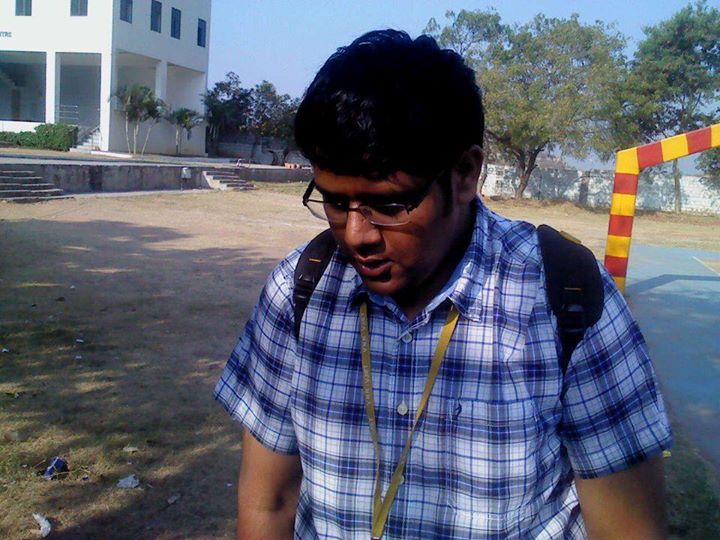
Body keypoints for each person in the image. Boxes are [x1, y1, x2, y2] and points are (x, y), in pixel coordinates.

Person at [214, 29, 672, 539]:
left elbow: (629, 528)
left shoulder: (564, 297)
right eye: (336, 201)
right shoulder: (299, 291)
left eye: (390, 205)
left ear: (465, 174)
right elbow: (269, 502)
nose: (356, 234)